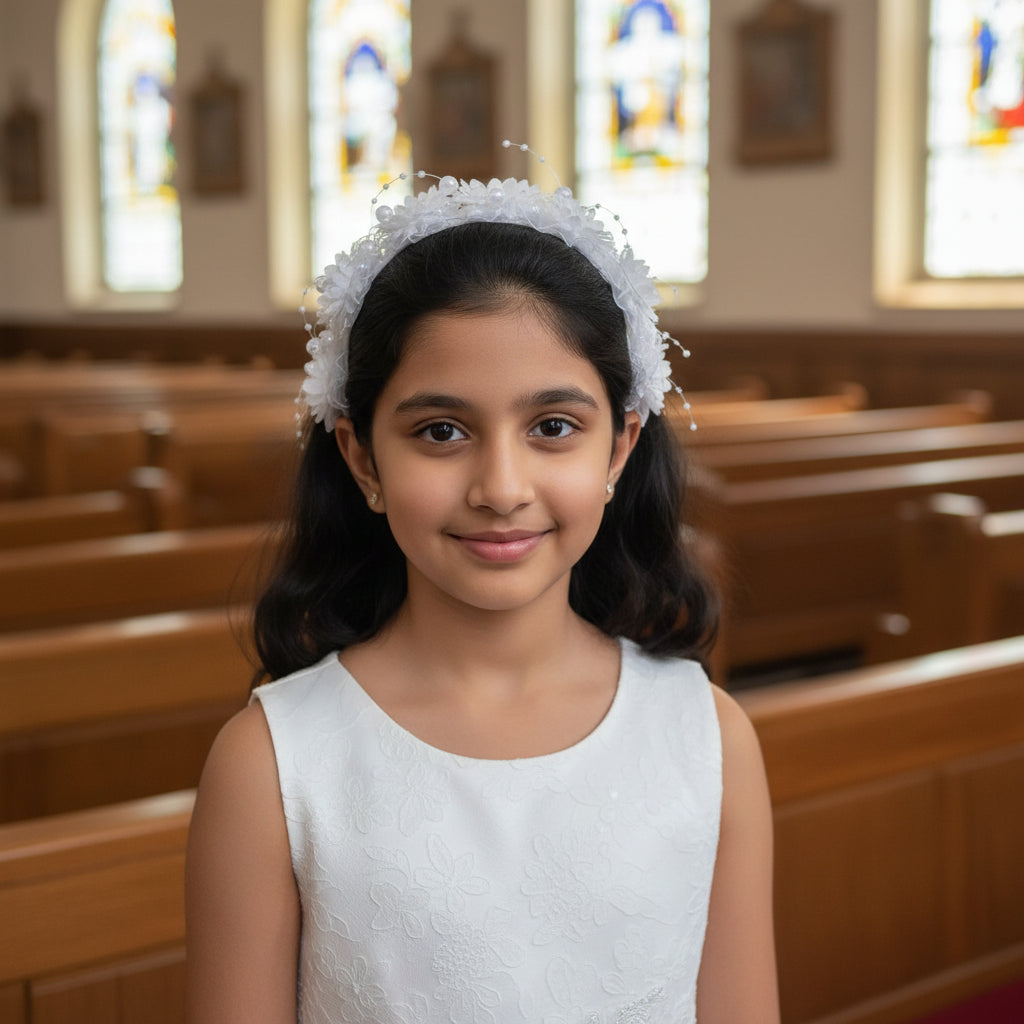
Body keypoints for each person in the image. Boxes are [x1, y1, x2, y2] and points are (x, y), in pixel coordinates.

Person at [185, 153, 779, 1024]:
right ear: (361, 457)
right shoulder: (273, 763)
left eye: (551, 427)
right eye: (441, 430)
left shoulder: (706, 735)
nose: (501, 487)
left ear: (618, 448)